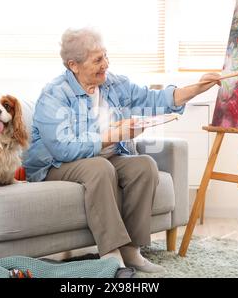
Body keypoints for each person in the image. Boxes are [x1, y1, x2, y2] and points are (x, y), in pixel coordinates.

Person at [23, 27, 220, 273]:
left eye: (105, 56)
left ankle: (132, 251)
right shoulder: (55, 94)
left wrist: (197, 88)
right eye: (97, 60)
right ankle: (111, 254)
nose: (105, 64)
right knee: (99, 168)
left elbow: (154, 99)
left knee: (144, 166)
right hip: (55, 165)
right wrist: (111, 136)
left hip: (104, 158)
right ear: (74, 65)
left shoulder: (114, 84)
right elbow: (63, 148)